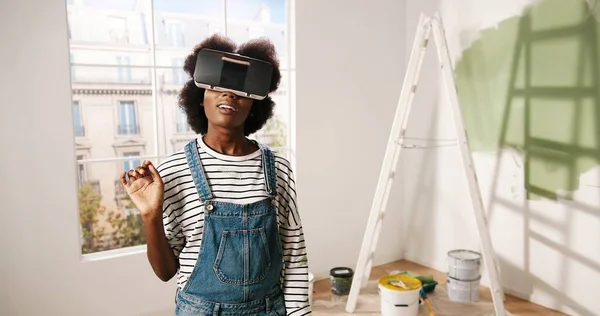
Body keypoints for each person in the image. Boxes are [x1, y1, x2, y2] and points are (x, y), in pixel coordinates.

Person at [120, 34, 311, 316]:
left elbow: (294, 255)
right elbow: (165, 272)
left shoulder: (279, 169)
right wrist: (151, 215)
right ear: (199, 98)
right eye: (218, 85)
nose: (229, 94)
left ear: (254, 104)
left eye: (241, 89)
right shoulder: (172, 172)